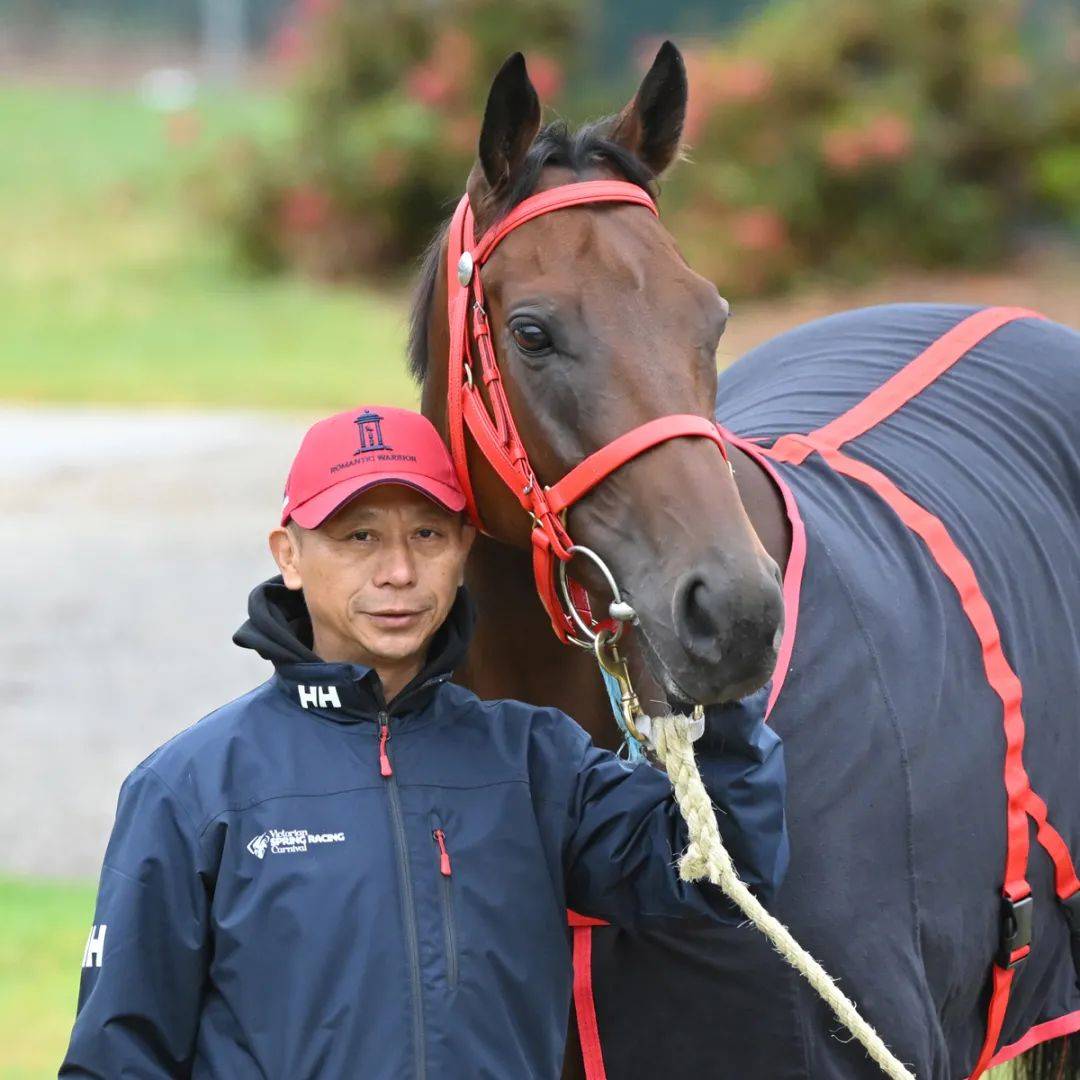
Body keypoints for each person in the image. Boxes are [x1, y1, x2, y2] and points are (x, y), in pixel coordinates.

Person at [60, 405, 788, 1079]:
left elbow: (722, 877)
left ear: (464, 550)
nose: (399, 572)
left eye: (428, 535)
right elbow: (119, 1055)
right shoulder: (191, 788)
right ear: (289, 553)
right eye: (359, 536)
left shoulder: (533, 761)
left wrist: (717, 693)